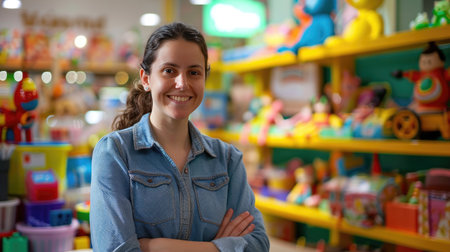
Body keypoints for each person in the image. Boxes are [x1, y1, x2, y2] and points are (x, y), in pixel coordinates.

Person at [90, 22, 270, 252]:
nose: (182, 83)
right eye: (169, 70)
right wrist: (220, 247)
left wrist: (151, 246)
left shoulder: (227, 160)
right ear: (146, 78)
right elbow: (115, 249)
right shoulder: (115, 152)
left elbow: (258, 244)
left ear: (205, 77)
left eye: (194, 72)